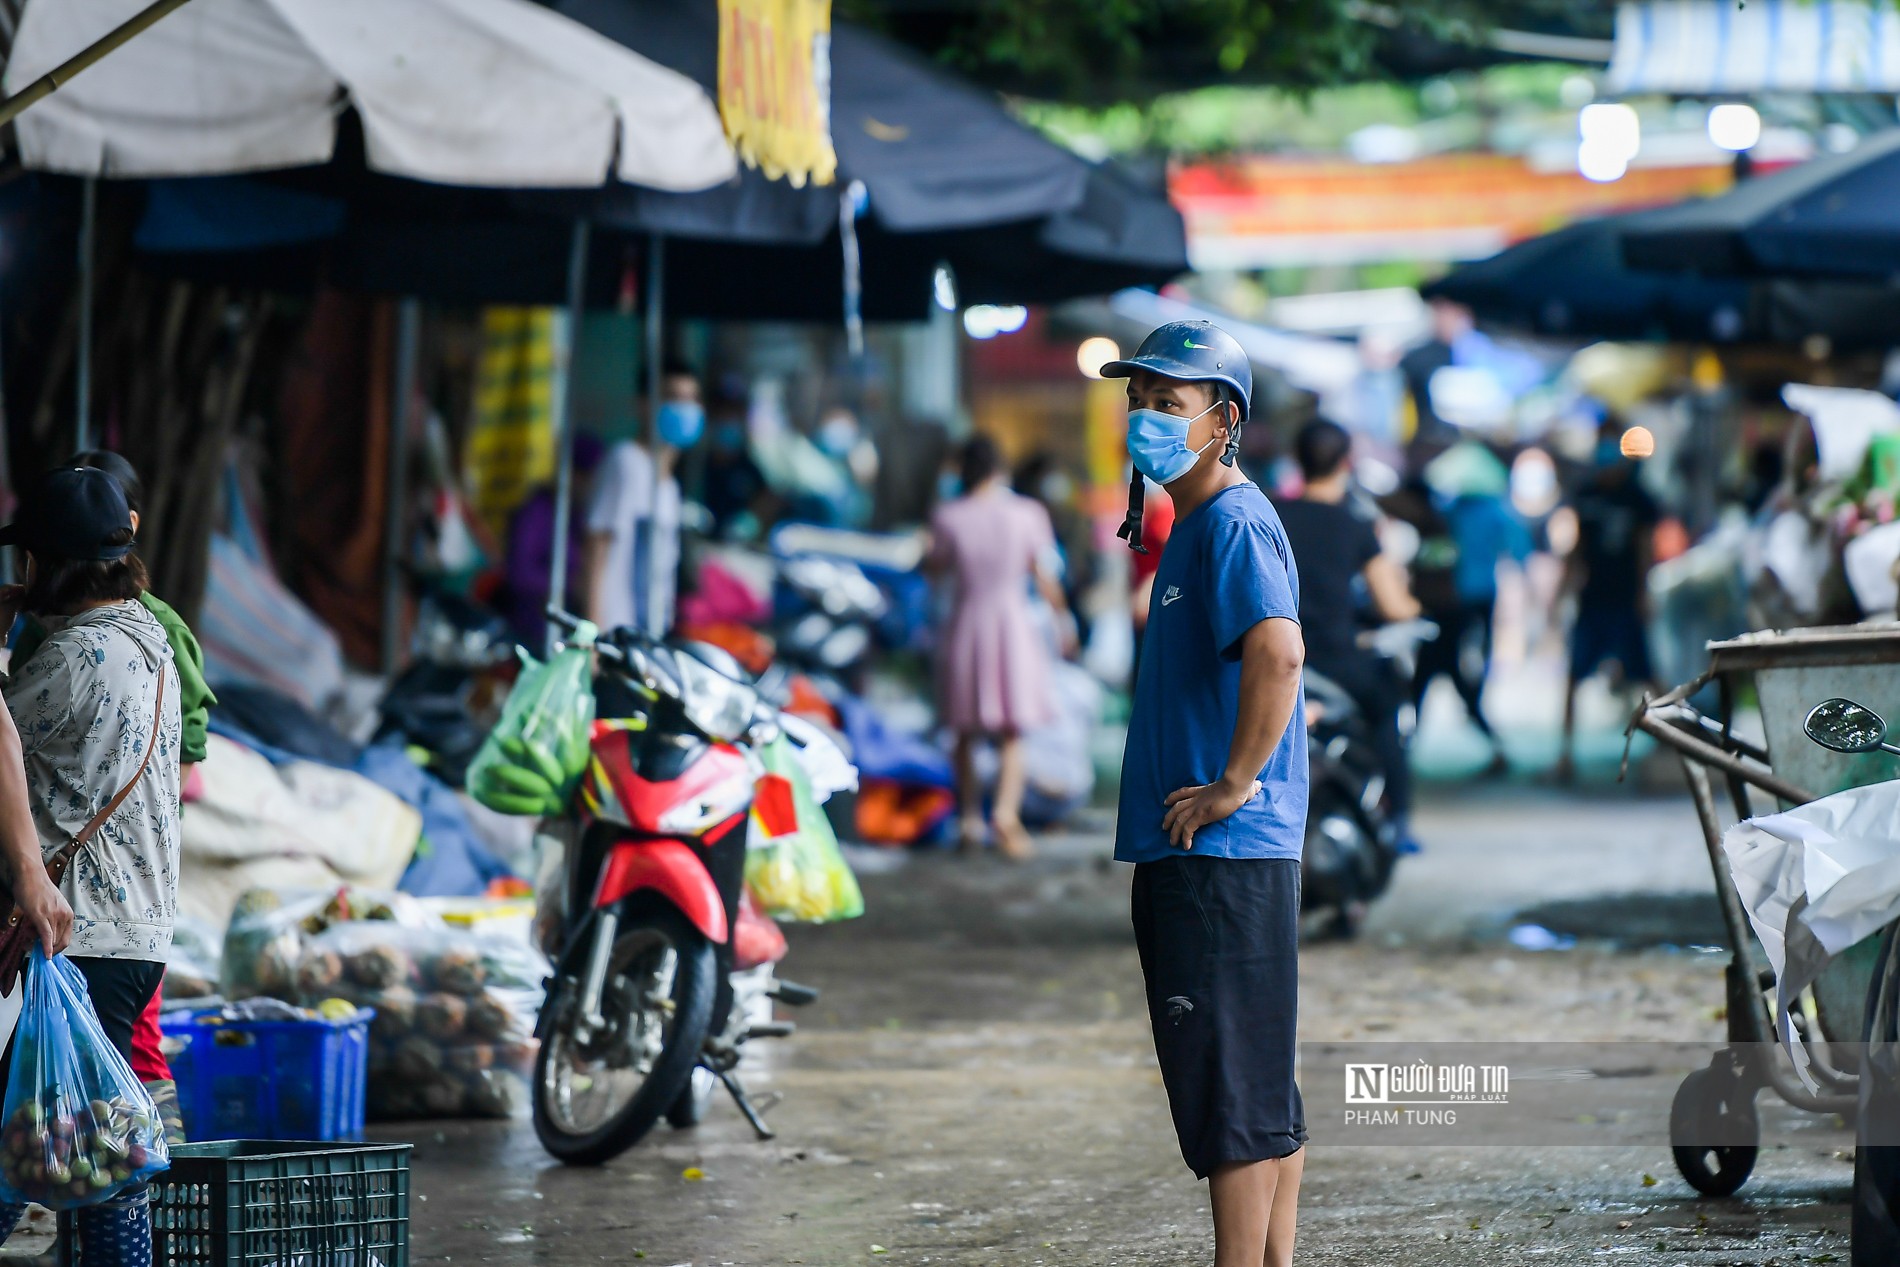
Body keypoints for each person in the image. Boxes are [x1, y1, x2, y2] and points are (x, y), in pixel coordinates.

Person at [1102, 321, 1308, 1267]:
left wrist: (1233, 783)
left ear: (1222, 421)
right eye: (1137, 399)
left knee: (1230, 1095)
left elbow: (1279, 649)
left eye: (1167, 403)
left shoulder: (1229, 520)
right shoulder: (1199, 522)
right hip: (1228, 857)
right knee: (1259, 1088)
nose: (1144, 417)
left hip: (1217, 856)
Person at [0, 465, 182, 1265]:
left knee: (23, 1138)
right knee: (98, 1150)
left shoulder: (73, 658)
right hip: (140, 936)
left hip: (71, 935)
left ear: (50, 563)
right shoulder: (153, 638)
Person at [928, 435, 1073, 860]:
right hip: (1013, 627)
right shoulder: (1028, 513)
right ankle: (1005, 816)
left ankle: (969, 819)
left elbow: (935, 570)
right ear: (1000, 469)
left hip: (966, 624)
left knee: (963, 729)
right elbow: (1045, 575)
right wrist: (1063, 622)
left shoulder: (947, 516)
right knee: (1013, 729)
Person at [1275, 420, 1421, 835]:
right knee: (1387, 711)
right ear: (1346, 463)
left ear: (1297, 461)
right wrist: (1414, 604)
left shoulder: (1270, 514)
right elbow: (1393, 606)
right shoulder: (1355, 524)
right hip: (1337, 660)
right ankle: (1398, 821)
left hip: (1277, 657)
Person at [1557, 419, 1661, 783]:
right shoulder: (1586, 493)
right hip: (1593, 599)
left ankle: (1674, 748)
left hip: (1625, 599)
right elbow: (1577, 549)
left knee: (1645, 677)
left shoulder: (1639, 497)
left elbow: (1645, 550)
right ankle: (1565, 754)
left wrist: (1644, 594)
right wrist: (1562, 591)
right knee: (1573, 677)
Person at [583, 359, 700, 637]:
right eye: (672, 397)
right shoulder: (625, 462)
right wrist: (593, 632)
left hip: (648, 634)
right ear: (643, 404)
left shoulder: (669, 485)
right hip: (615, 631)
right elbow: (596, 548)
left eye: (691, 399)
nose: (684, 408)